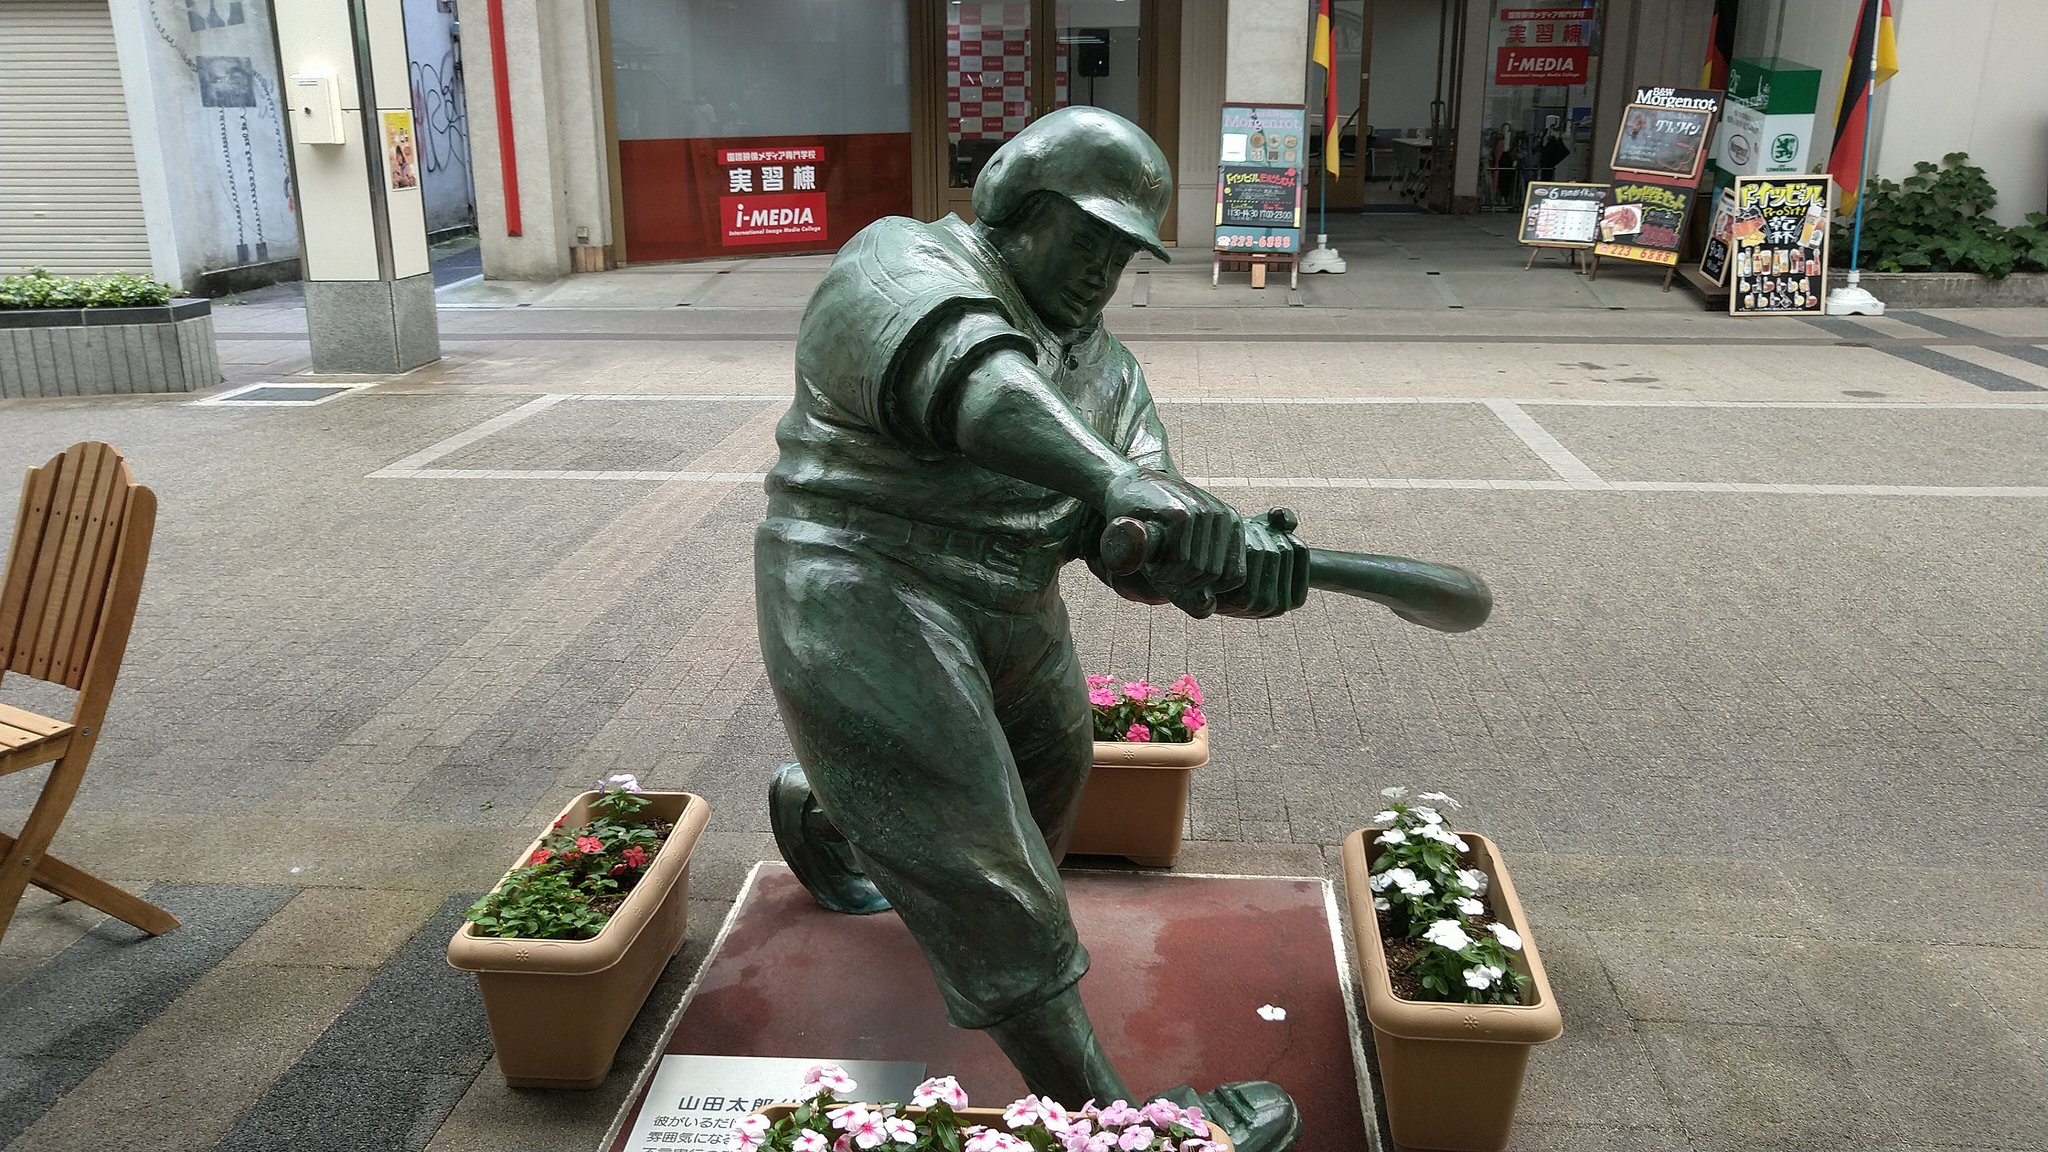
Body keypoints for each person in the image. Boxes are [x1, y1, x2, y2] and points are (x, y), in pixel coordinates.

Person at [757, 106, 1306, 1151]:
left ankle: (840, 813)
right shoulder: (899, 261)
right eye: (1086, 237)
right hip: (860, 581)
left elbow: (1138, 527)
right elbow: (974, 384)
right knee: (990, 865)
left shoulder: (1106, 370)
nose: (1103, 271)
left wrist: (1229, 559)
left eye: (1123, 251)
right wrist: (1114, 479)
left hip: (1010, 607)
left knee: (1044, 774)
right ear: (1014, 202)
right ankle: (1116, 1120)